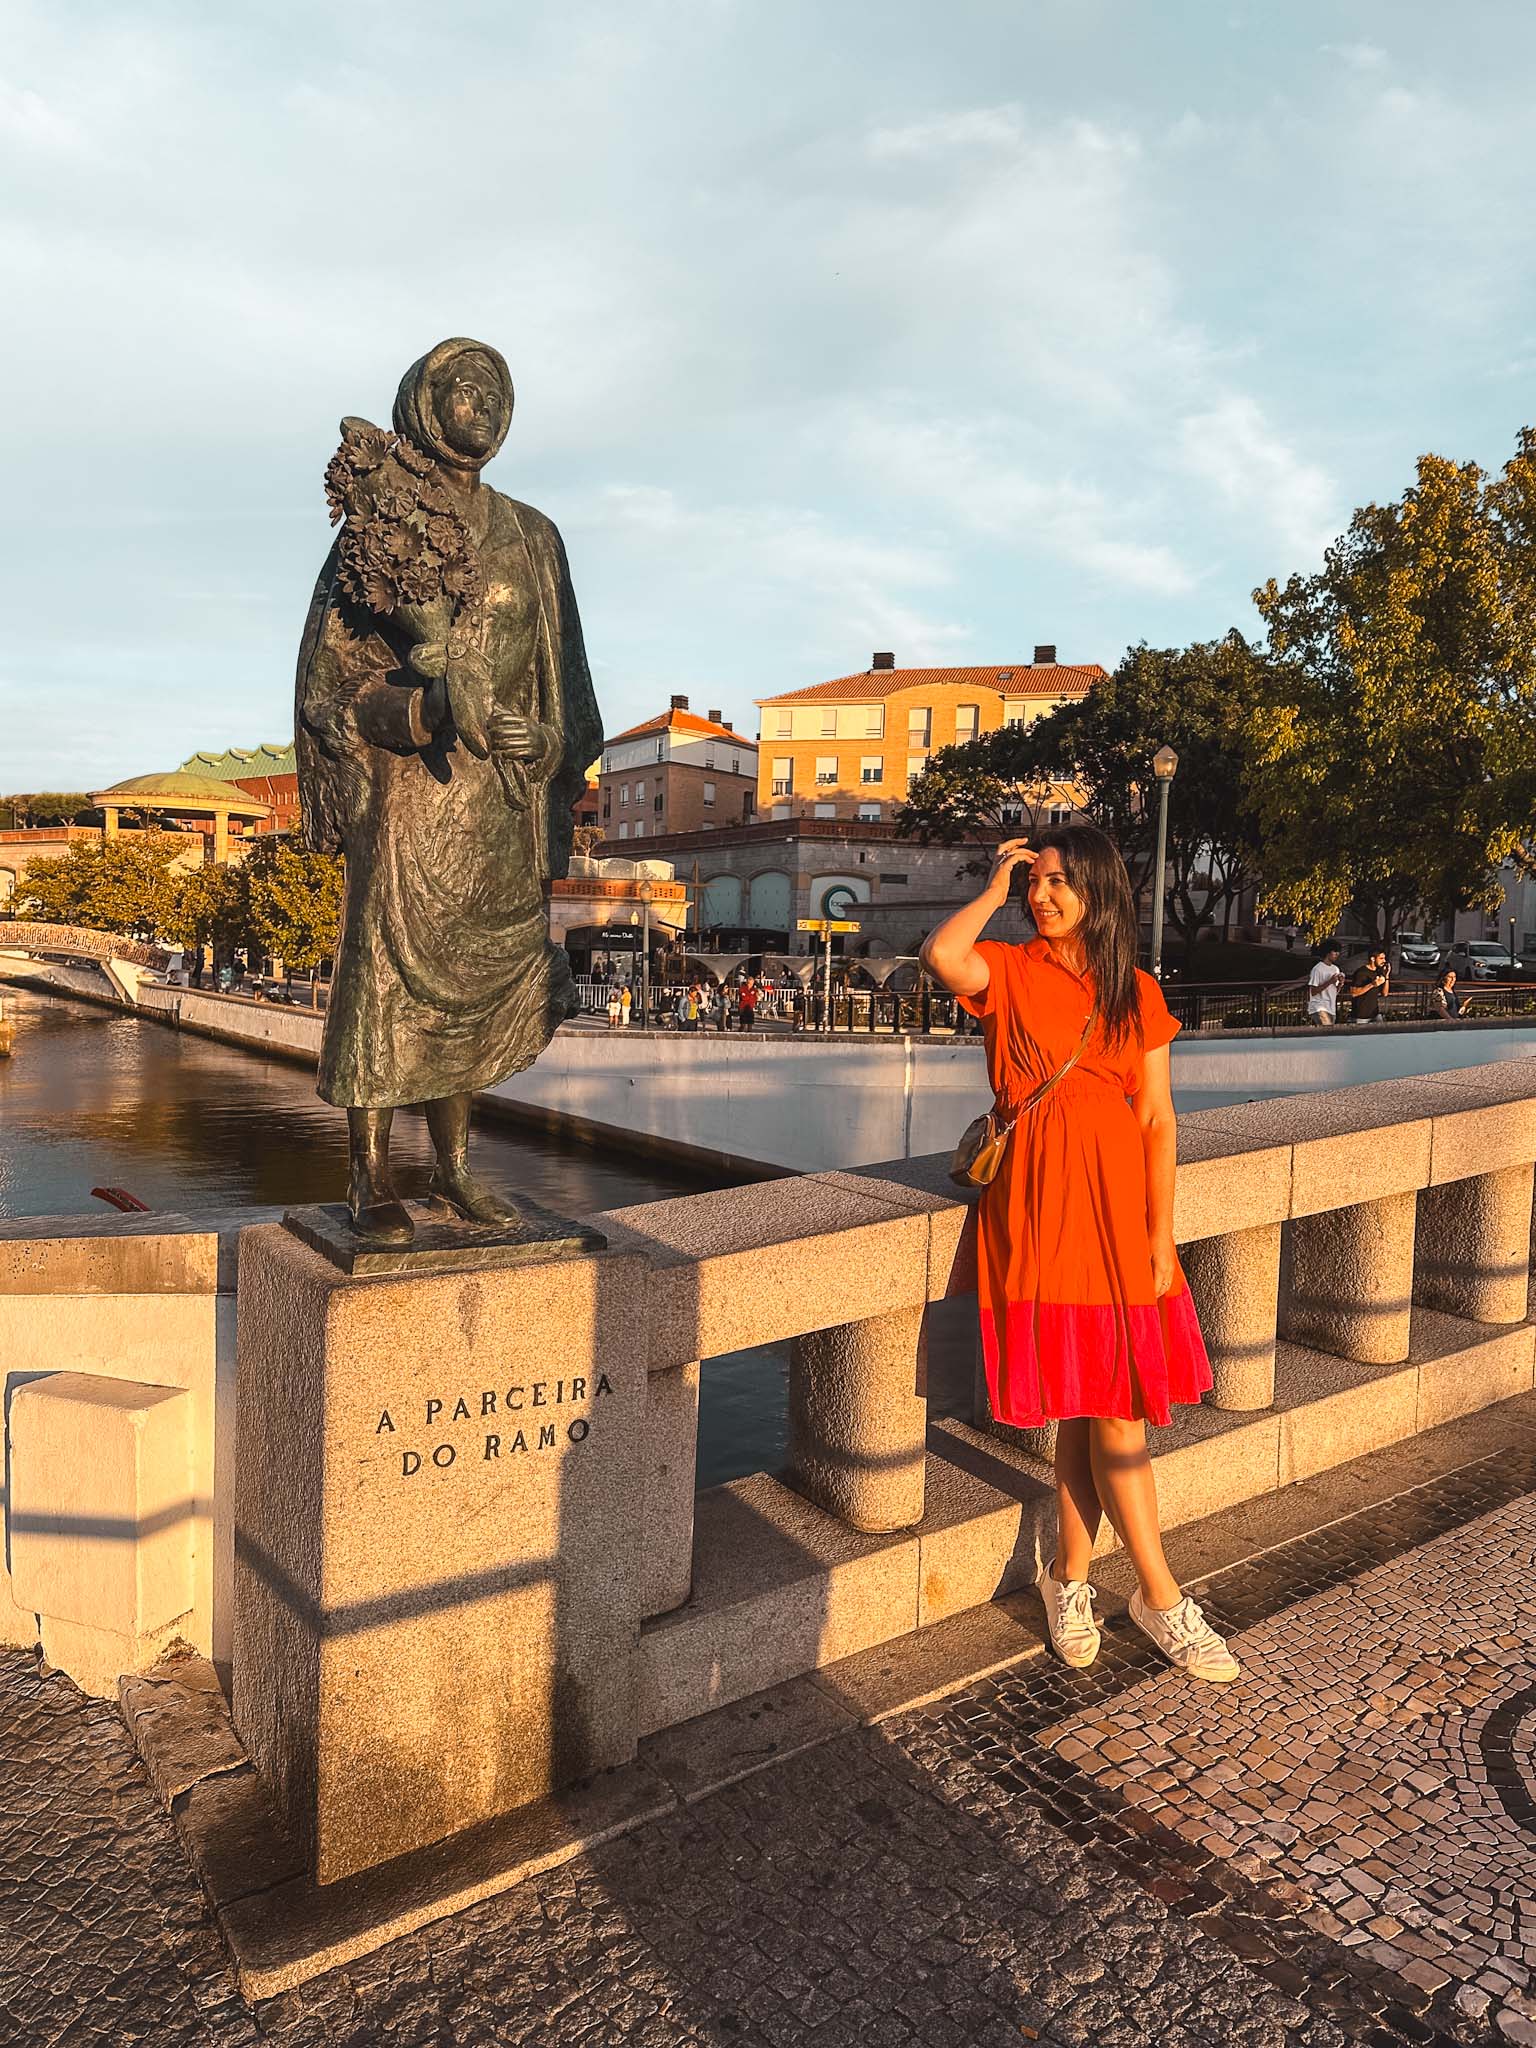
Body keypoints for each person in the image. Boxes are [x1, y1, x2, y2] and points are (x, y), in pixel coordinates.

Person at [921, 824, 1239, 1684]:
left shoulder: (1137, 991)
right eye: (1039, 881)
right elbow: (942, 954)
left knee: (1109, 1402)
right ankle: (1156, 1596)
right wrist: (992, 887)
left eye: (1062, 881)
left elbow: (1157, 1122)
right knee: (1095, 1401)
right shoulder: (1012, 969)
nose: (1045, 894)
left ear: (1100, 890)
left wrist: (1158, 1237)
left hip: (1117, 1212)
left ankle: (1081, 1580)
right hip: (1039, 1204)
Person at [1347, 948, 1389, 1025]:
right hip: (1361, 1015)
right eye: (1381, 958)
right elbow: (1354, 993)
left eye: (1384, 958)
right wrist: (1372, 984)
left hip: (1375, 1014)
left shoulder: (1378, 972)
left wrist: (1386, 976)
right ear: (1372, 958)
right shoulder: (1361, 972)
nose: (1384, 961)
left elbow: (1385, 994)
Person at [1306, 943, 1344, 1027]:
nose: (1337, 954)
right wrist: (1330, 982)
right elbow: (1313, 991)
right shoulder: (1317, 969)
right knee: (1327, 1032)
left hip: (1331, 1007)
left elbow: (1334, 992)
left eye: (1338, 952)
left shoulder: (1335, 969)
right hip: (1319, 1007)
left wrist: (1340, 984)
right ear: (1327, 953)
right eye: (1335, 952)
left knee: (1326, 1035)